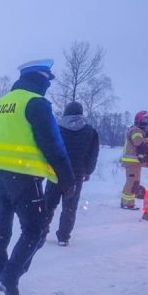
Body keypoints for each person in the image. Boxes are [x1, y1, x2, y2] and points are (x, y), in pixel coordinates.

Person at [0, 59, 75, 295]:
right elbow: (52, 144)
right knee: (37, 229)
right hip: (23, 176)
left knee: (1, 224)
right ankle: (9, 278)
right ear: (39, 79)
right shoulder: (36, 103)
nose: (48, 86)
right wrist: (67, 178)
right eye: (47, 80)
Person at [43, 101, 99, 246]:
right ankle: (64, 236)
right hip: (76, 175)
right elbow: (93, 155)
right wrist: (88, 171)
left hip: (55, 173)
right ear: (80, 114)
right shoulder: (90, 131)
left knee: (48, 205)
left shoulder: (55, 128)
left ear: (66, 112)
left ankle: (41, 232)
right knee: (70, 207)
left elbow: (48, 149)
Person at [120, 111, 148, 209]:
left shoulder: (138, 130)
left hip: (135, 162)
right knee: (132, 182)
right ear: (139, 119)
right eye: (145, 120)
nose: (146, 122)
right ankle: (127, 203)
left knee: (134, 182)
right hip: (132, 162)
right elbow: (138, 142)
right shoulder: (136, 130)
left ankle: (127, 202)